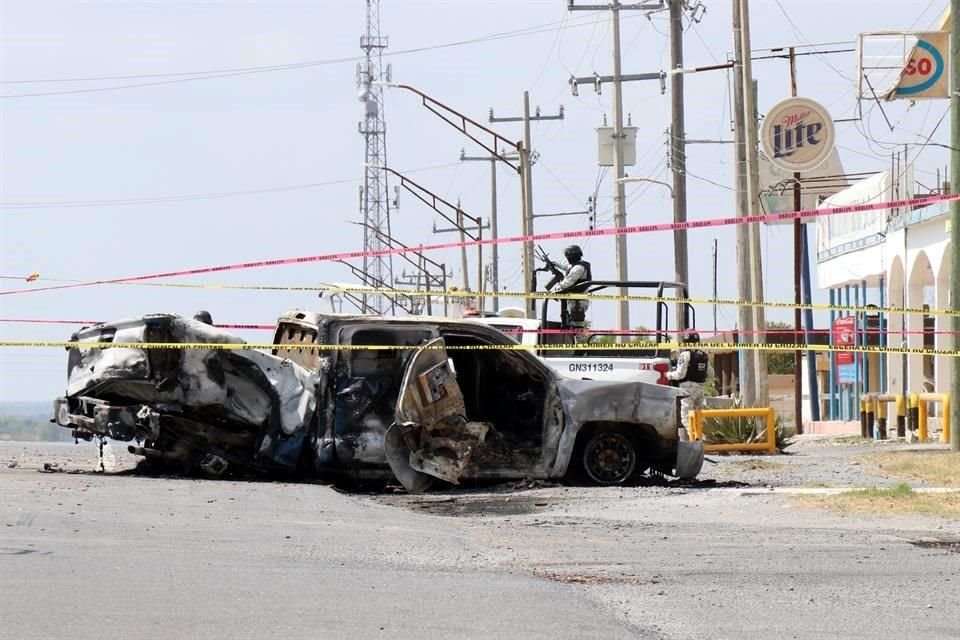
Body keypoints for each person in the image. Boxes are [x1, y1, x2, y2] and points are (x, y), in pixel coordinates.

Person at [667, 330, 709, 437]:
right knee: (699, 417)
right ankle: (702, 438)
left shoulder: (685, 354)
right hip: (700, 388)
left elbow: (680, 374)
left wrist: (669, 375)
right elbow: (710, 373)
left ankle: (695, 439)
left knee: (686, 417)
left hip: (687, 389)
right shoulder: (704, 355)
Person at [547, 244, 592, 329]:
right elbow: (566, 267)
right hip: (575, 301)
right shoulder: (576, 266)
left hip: (578, 302)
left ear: (571, 256)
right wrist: (554, 264)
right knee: (570, 323)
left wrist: (557, 289)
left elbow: (568, 282)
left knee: (576, 326)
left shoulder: (579, 268)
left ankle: (579, 342)